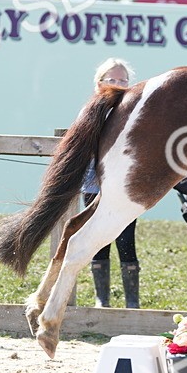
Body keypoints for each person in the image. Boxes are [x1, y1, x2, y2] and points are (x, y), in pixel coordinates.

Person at [81, 58, 140, 308]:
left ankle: (132, 302)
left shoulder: (135, 112)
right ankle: (101, 299)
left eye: (123, 80)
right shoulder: (90, 112)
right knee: (97, 238)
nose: (118, 85)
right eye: (112, 80)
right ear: (99, 84)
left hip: (124, 187)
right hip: (95, 184)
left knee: (126, 239)